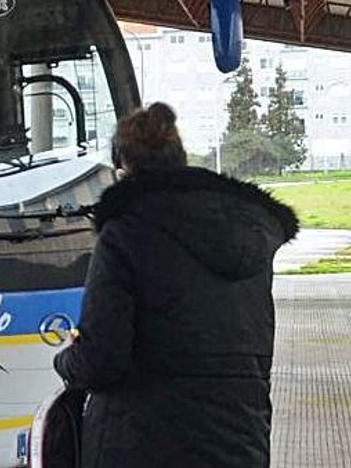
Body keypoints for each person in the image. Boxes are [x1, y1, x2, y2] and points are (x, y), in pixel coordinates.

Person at [53, 103, 298, 467]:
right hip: (239, 442)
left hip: (145, 445)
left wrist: (65, 360)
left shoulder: (125, 233)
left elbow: (101, 361)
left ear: (124, 172)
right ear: (181, 161)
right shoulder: (249, 232)